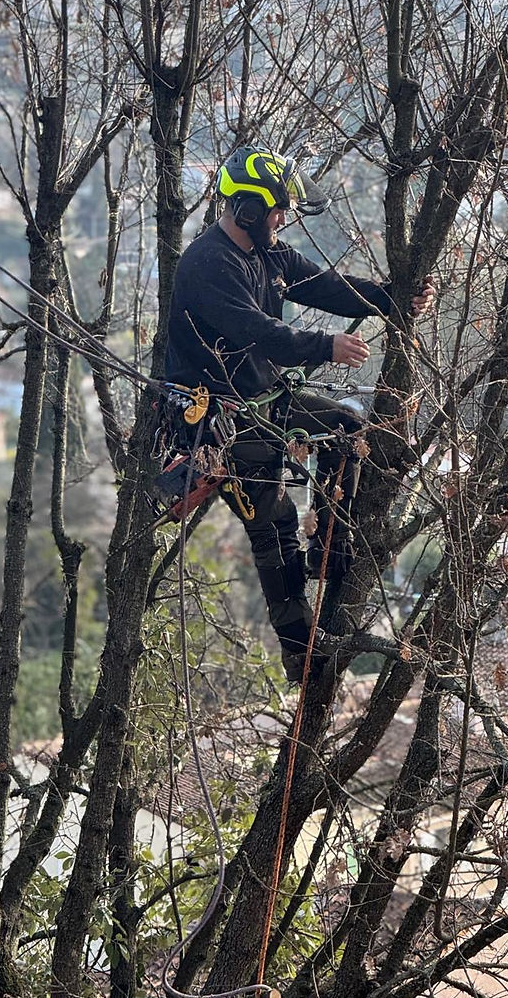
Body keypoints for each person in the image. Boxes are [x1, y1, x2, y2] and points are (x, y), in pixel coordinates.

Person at [163, 146, 434, 681]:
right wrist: (324, 347)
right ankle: (299, 650)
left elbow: (328, 286)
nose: (281, 219)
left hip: (267, 398)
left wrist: (390, 300)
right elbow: (262, 334)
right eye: (275, 210)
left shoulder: (271, 254)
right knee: (274, 522)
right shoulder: (207, 265)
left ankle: (328, 552)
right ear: (245, 209)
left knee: (347, 428)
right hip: (220, 417)